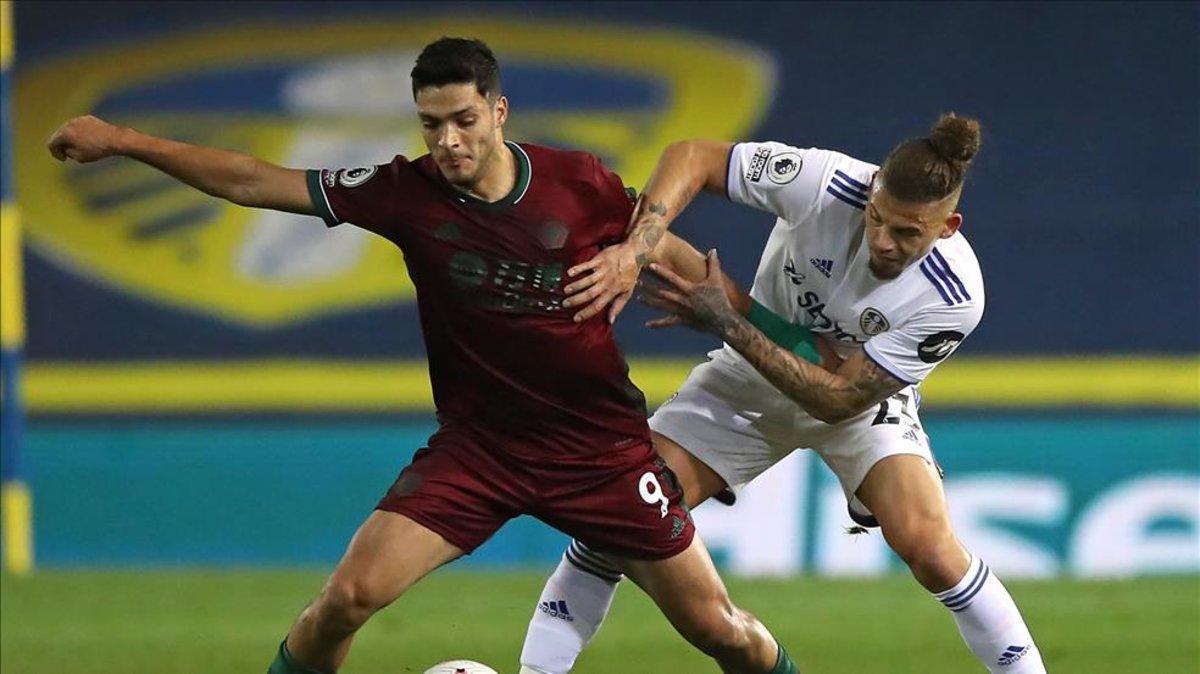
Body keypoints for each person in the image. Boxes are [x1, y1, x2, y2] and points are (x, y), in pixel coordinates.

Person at [47, 38, 804, 674]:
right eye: (431, 124)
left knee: (718, 630)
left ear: (499, 112)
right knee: (346, 598)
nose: (448, 142)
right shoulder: (403, 194)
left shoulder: (580, 184)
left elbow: (682, 263)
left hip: (601, 455)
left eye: (465, 120)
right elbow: (255, 181)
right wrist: (124, 142)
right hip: (478, 453)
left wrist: (670, 279)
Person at [520, 115, 1048, 673]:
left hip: (859, 406)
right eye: (877, 220)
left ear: (947, 226)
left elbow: (837, 401)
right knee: (613, 519)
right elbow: (694, 153)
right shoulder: (826, 183)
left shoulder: (955, 296)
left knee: (930, 550)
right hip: (741, 384)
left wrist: (731, 321)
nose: (882, 242)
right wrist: (639, 248)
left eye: (907, 233)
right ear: (871, 192)